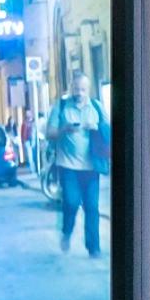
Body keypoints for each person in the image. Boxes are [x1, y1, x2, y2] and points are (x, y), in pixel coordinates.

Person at [51, 78, 107, 257]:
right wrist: (63, 130)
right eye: (76, 88)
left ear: (87, 89)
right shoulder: (61, 107)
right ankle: (66, 232)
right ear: (71, 88)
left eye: (82, 89)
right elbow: (49, 133)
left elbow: (109, 131)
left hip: (91, 167)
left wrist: (96, 127)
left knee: (92, 207)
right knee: (71, 202)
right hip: (68, 166)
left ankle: (94, 248)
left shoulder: (96, 107)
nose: (79, 93)